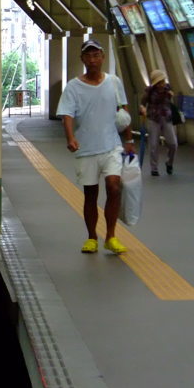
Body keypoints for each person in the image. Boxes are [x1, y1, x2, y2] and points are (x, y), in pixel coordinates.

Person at [57, 40, 135, 255]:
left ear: (102, 58)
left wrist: (128, 141)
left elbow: (123, 110)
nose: (92, 60)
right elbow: (67, 114)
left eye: (96, 55)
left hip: (111, 145)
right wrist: (70, 137)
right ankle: (92, 237)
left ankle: (111, 236)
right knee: (90, 194)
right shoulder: (73, 87)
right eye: (88, 56)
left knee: (114, 187)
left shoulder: (113, 82)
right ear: (82, 59)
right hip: (86, 148)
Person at [140, 68, 177, 177]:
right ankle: (154, 168)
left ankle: (169, 162)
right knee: (154, 144)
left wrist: (170, 94)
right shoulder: (149, 91)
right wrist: (143, 108)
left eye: (162, 81)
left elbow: (170, 98)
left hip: (166, 117)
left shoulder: (168, 89)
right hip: (153, 118)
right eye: (159, 82)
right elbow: (142, 103)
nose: (161, 84)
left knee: (173, 143)